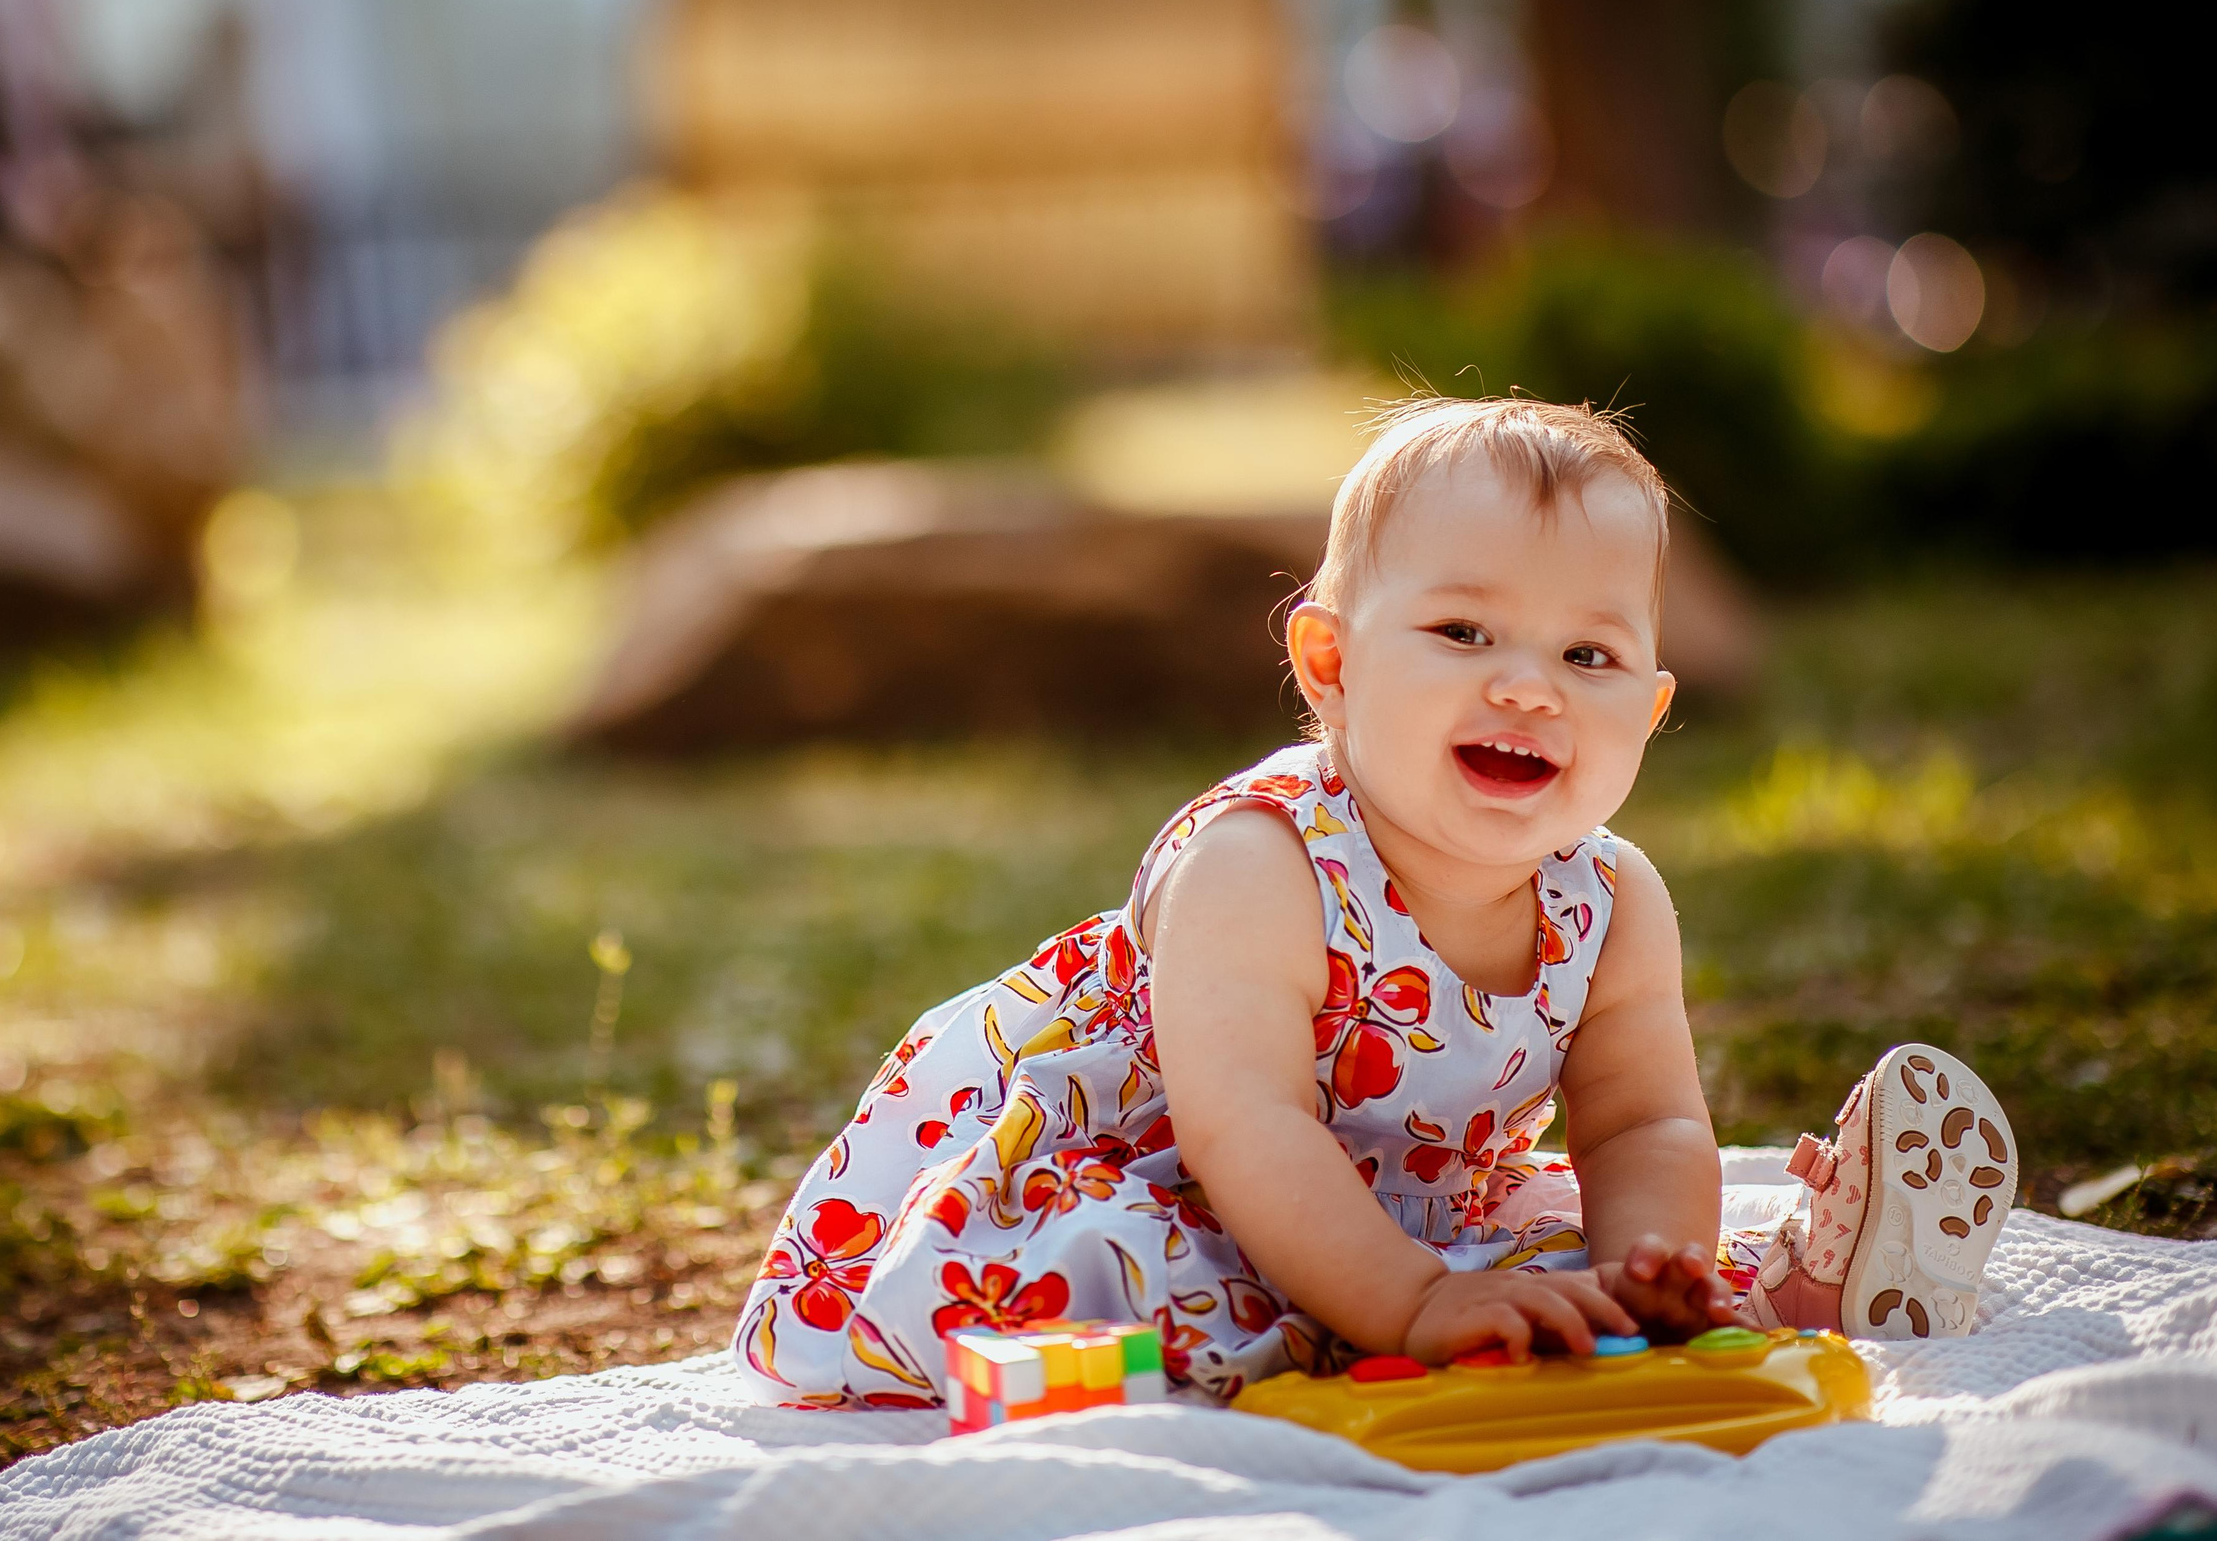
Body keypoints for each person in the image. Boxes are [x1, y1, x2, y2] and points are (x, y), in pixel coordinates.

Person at [733, 396, 2018, 1408]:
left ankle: (1782, 1281)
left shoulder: (1613, 903)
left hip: (1404, 1200)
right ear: (1331, 663)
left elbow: (1643, 1127)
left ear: (1651, 710)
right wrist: (1405, 1305)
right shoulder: (1264, 864)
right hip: (1161, 1164)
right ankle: (1372, 1314)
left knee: (1552, 1267)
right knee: (1138, 1273)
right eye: (1464, 634)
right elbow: (1248, 1133)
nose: (1529, 688)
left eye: (1589, 656)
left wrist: (1644, 1273)